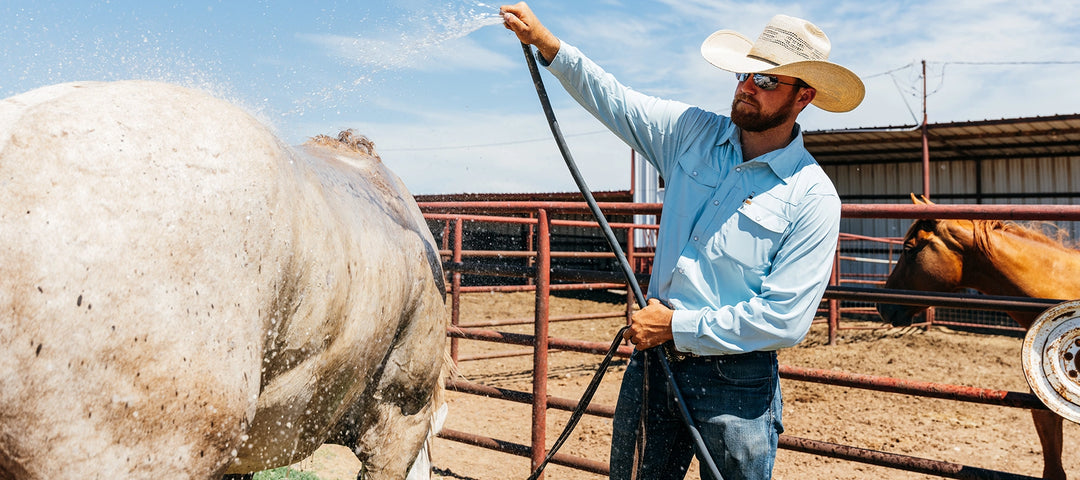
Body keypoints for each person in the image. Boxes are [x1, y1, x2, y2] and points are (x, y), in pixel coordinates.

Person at [501, 3, 864, 479]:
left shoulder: (812, 196)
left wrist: (676, 327)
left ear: (804, 97)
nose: (747, 86)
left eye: (768, 80)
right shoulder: (692, 132)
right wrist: (549, 45)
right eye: (745, 73)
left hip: (736, 383)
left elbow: (785, 320)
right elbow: (616, 99)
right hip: (653, 363)